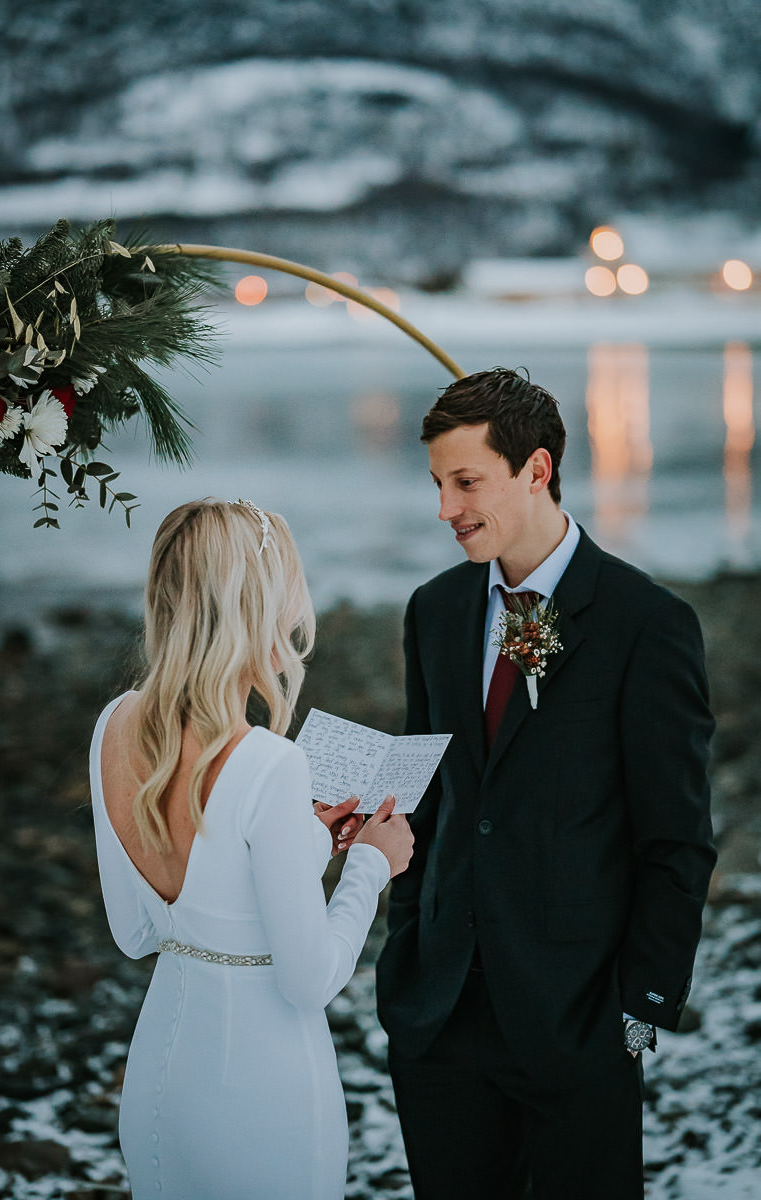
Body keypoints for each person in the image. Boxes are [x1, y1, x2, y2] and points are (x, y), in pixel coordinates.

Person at [376, 368, 716, 1200]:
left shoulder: (647, 625)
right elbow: (428, 791)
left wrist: (636, 1013)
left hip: (580, 1023)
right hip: (441, 1019)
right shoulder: (435, 610)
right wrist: (406, 948)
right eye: (438, 485)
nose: (446, 510)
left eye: (466, 483)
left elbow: (676, 839)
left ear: (535, 470)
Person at [89, 497, 413, 1200]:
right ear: (256, 603)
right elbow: (310, 980)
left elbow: (136, 932)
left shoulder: (113, 727)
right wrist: (368, 864)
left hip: (158, 1088)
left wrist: (300, 850)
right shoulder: (269, 762)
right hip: (264, 1095)